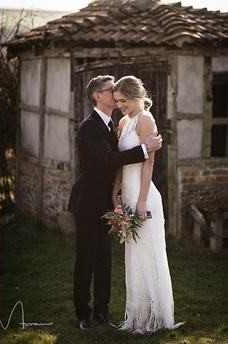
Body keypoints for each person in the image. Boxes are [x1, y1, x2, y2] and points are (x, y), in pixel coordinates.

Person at [67, 75, 163, 330]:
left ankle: (102, 310)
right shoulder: (89, 126)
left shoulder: (114, 124)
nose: (115, 94)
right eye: (111, 90)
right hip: (87, 201)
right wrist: (145, 149)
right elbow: (110, 160)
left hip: (108, 200)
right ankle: (82, 313)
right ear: (99, 95)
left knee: (104, 258)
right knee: (86, 257)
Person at [113, 76, 183, 333]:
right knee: (134, 257)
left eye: (124, 101)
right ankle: (139, 314)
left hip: (144, 195)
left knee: (149, 253)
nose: (120, 105)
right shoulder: (123, 121)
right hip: (127, 194)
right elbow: (120, 161)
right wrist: (115, 193)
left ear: (135, 97)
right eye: (118, 101)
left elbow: (149, 163)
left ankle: (155, 316)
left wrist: (141, 200)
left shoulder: (146, 120)